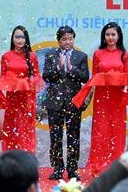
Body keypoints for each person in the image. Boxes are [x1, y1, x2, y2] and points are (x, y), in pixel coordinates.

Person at [84, 22, 128, 176]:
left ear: (118, 36)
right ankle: (98, 166)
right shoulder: (98, 54)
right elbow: (94, 77)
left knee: (117, 132)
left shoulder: (124, 55)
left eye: (113, 34)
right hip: (102, 99)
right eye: (108, 34)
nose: (110, 37)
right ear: (104, 37)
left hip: (117, 99)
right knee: (101, 131)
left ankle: (116, 166)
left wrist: (120, 82)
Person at [42, 26, 90, 181]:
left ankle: (72, 169)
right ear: (59, 41)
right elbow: (46, 76)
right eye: (64, 39)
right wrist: (58, 67)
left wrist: (71, 68)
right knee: (55, 137)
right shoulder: (51, 55)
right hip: (54, 102)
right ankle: (57, 168)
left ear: (73, 39)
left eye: (70, 38)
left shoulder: (81, 56)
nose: (67, 42)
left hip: (73, 103)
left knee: (73, 137)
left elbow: (84, 77)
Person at [0, 26, 40, 153]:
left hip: (27, 99)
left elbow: (37, 77)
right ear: (12, 39)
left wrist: (25, 83)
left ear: (26, 39)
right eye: (17, 37)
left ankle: (27, 157)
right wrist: (12, 83)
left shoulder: (32, 56)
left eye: (22, 37)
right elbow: (2, 78)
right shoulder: (6, 56)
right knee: (11, 127)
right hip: (12, 98)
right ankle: (11, 157)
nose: (20, 40)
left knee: (25, 128)